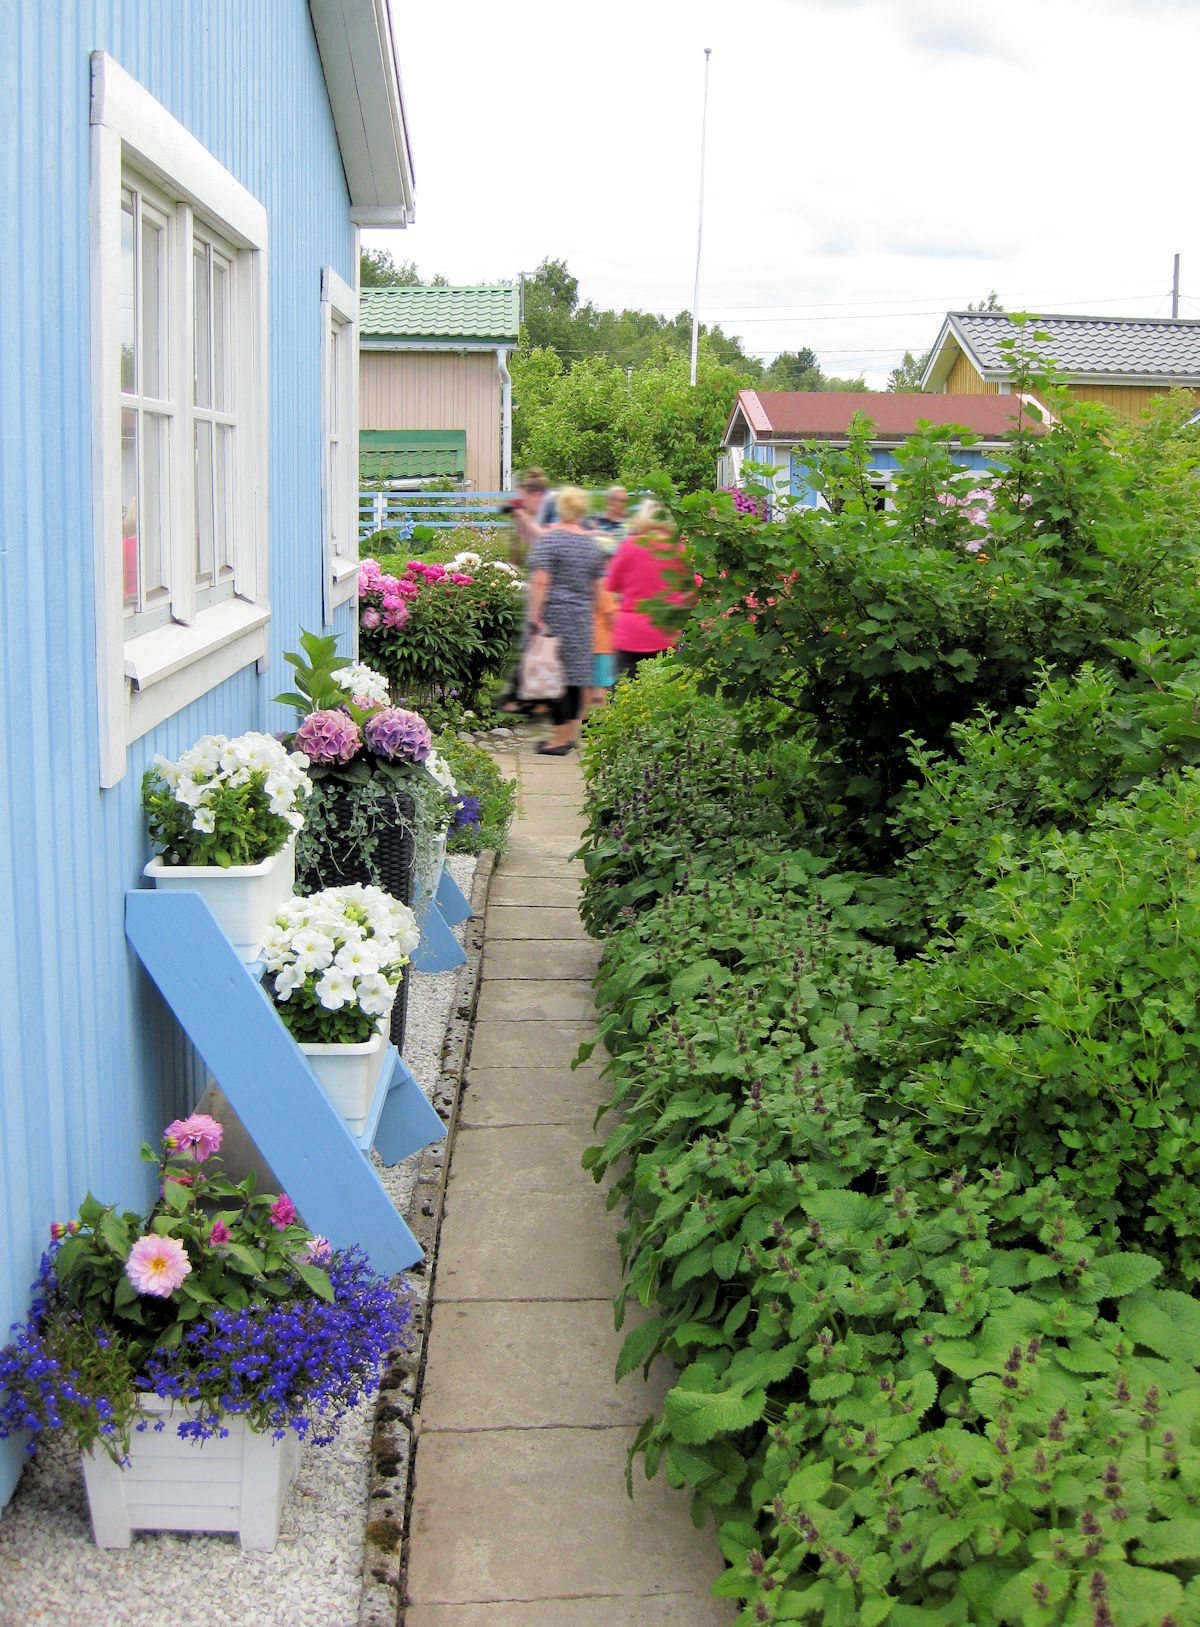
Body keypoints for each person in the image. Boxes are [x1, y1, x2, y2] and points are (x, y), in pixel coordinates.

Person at [527, 486, 605, 754]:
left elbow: (540, 580)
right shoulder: (591, 543)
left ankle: (559, 741)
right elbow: (598, 586)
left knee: (553, 677)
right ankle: (570, 735)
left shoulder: (550, 540)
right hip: (582, 617)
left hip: (555, 615)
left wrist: (535, 615)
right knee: (575, 678)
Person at [605, 500, 694, 679]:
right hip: (664, 633)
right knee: (662, 694)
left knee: (623, 694)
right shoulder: (678, 550)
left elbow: (612, 585)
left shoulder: (629, 546)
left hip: (628, 634)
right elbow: (692, 592)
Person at [585, 485, 629, 553]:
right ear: (608, 500)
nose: (620, 503)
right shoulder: (595, 519)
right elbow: (583, 538)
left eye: (623, 501)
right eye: (615, 499)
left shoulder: (629, 522)